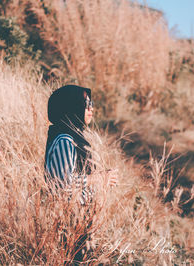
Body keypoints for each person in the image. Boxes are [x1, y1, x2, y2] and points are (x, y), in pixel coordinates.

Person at [44, 84, 117, 264]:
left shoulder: (74, 138)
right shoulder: (65, 140)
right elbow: (63, 186)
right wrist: (99, 178)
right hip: (67, 225)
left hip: (79, 223)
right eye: (85, 103)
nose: (91, 107)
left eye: (90, 102)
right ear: (71, 106)